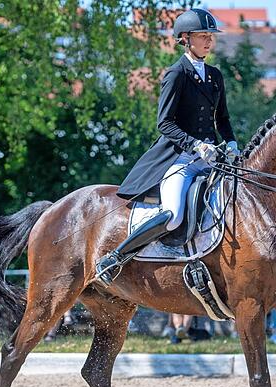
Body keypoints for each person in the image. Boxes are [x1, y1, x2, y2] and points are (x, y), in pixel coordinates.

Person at [95, 8, 238, 286]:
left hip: (212, 157)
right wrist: (195, 145)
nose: (209, 40)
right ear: (185, 38)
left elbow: (223, 118)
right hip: (181, 158)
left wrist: (231, 143)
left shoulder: (215, 75)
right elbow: (165, 123)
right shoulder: (176, 74)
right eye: (202, 36)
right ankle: (117, 256)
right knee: (172, 215)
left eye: (211, 36)